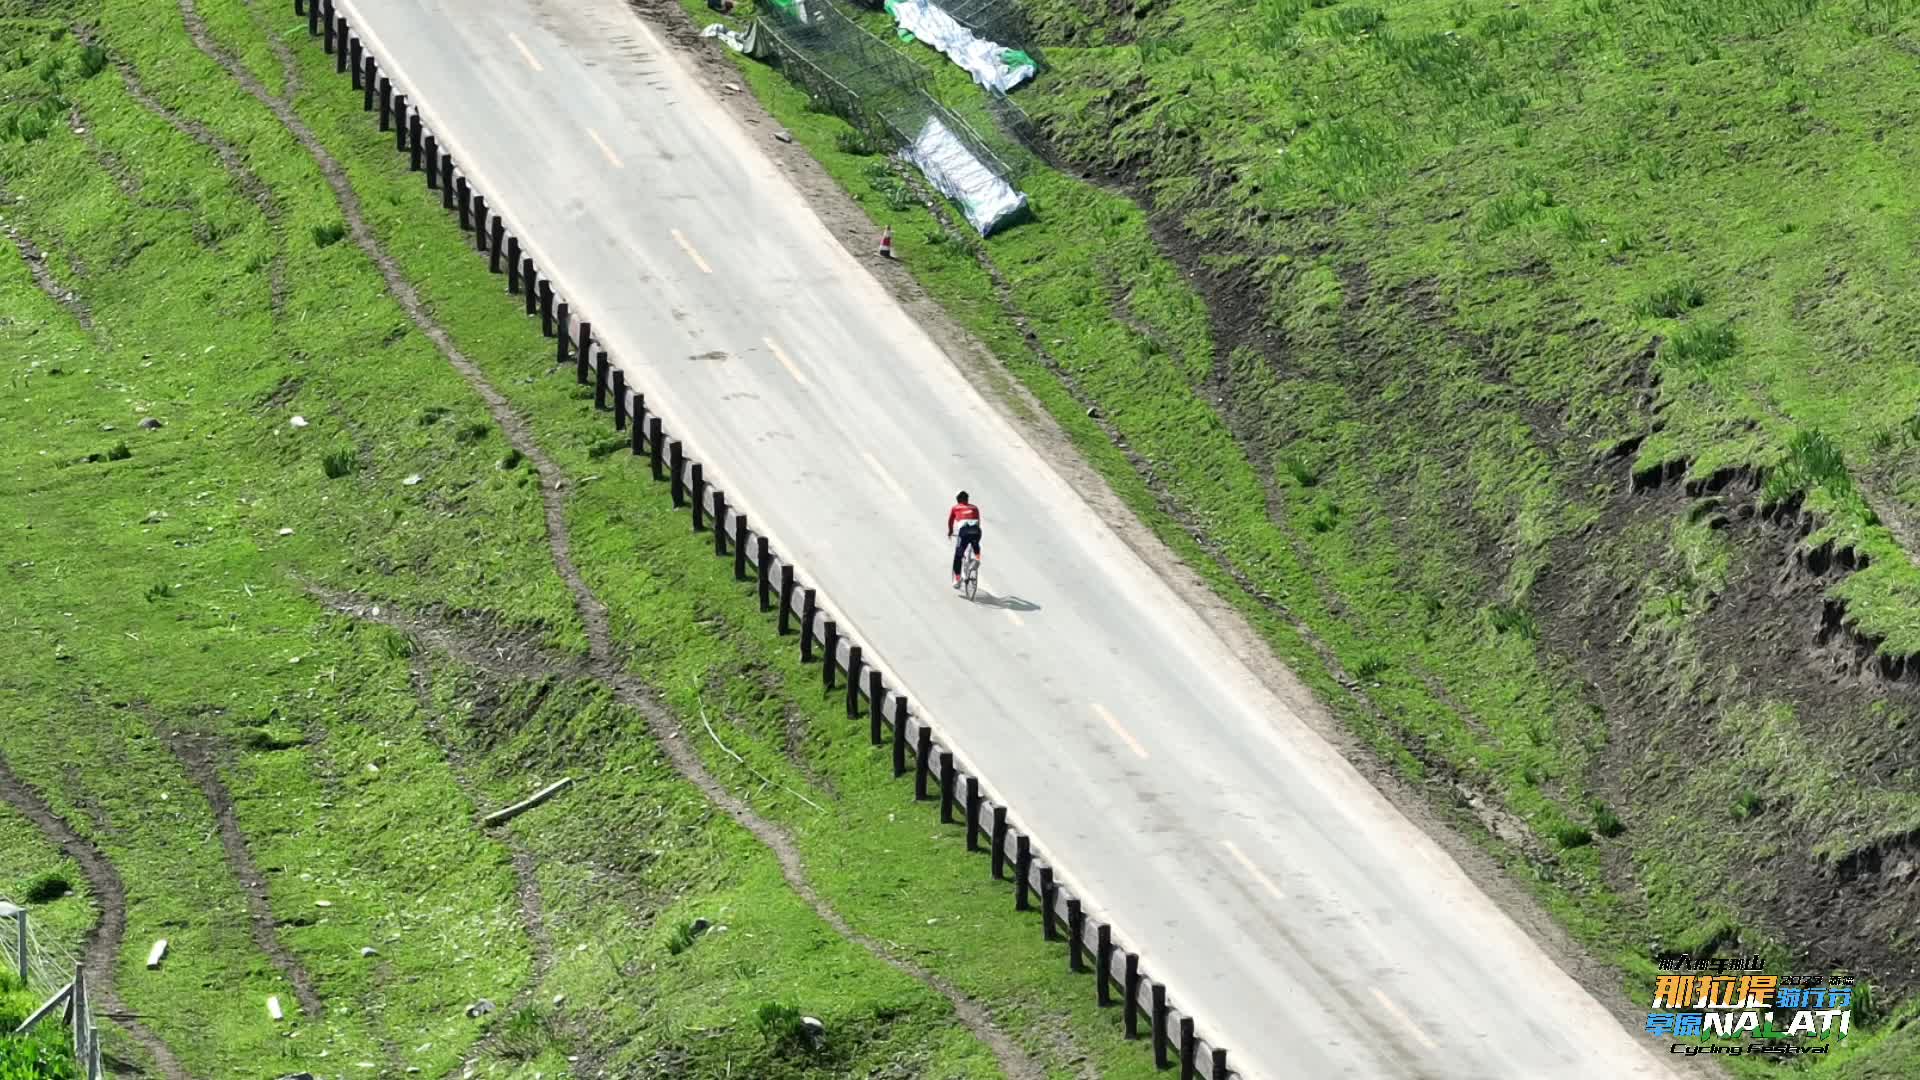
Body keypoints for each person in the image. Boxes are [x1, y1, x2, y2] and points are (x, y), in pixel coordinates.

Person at [947, 490, 982, 589]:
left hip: (964, 530)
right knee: (975, 544)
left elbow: (950, 521)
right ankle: (977, 559)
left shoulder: (955, 508)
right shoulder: (975, 508)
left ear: (958, 499)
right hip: (976, 530)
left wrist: (950, 532)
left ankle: (957, 579)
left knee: (958, 556)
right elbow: (978, 521)